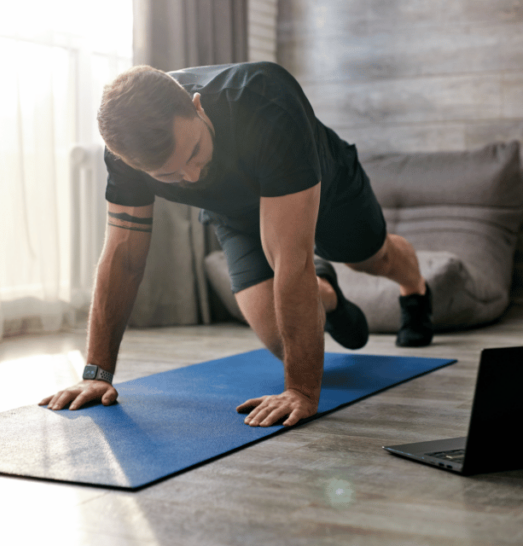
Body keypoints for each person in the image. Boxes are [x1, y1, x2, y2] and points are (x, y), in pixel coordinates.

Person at [39, 62, 433, 428]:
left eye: (193, 152)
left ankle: (414, 291)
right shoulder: (125, 156)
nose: (191, 177)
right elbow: (123, 257)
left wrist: (300, 391)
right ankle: (326, 294)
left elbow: (291, 263)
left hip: (325, 187)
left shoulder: (264, 98)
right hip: (233, 213)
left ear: (197, 107)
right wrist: (96, 374)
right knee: (280, 336)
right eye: (170, 175)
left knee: (373, 258)